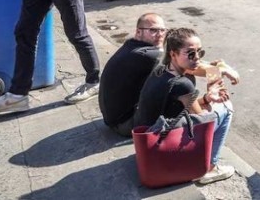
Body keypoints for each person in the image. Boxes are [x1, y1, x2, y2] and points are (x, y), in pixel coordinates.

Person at [135, 28, 239, 185]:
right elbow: (203, 123)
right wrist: (212, 94)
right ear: (173, 54)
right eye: (190, 53)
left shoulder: (160, 70)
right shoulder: (182, 84)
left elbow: (184, 104)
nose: (197, 58)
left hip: (147, 143)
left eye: (200, 52)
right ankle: (210, 167)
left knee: (210, 104)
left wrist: (206, 98)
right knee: (226, 107)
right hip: (162, 147)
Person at [98, 13, 166, 137]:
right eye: (153, 30)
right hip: (125, 125)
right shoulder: (148, 56)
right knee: (178, 86)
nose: (160, 34)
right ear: (138, 32)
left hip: (112, 119)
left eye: (162, 30)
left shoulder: (131, 45)